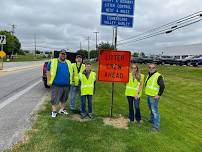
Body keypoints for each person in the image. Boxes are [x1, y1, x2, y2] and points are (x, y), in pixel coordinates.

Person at [47, 50, 73, 118]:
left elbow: (71, 71)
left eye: (64, 54)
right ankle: (54, 111)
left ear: (66, 55)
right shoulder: (53, 61)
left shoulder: (68, 62)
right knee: (55, 99)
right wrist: (48, 80)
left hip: (66, 84)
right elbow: (48, 71)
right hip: (56, 84)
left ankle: (62, 109)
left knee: (64, 98)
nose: (63, 55)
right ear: (59, 54)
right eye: (62, 54)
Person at [145, 63, 165, 131]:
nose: (151, 69)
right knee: (151, 109)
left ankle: (156, 127)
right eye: (150, 67)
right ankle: (151, 120)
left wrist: (159, 95)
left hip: (154, 96)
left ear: (155, 68)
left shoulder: (158, 76)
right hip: (149, 95)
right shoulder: (149, 75)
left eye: (153, 67)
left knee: (155, 111)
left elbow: (162, 86)